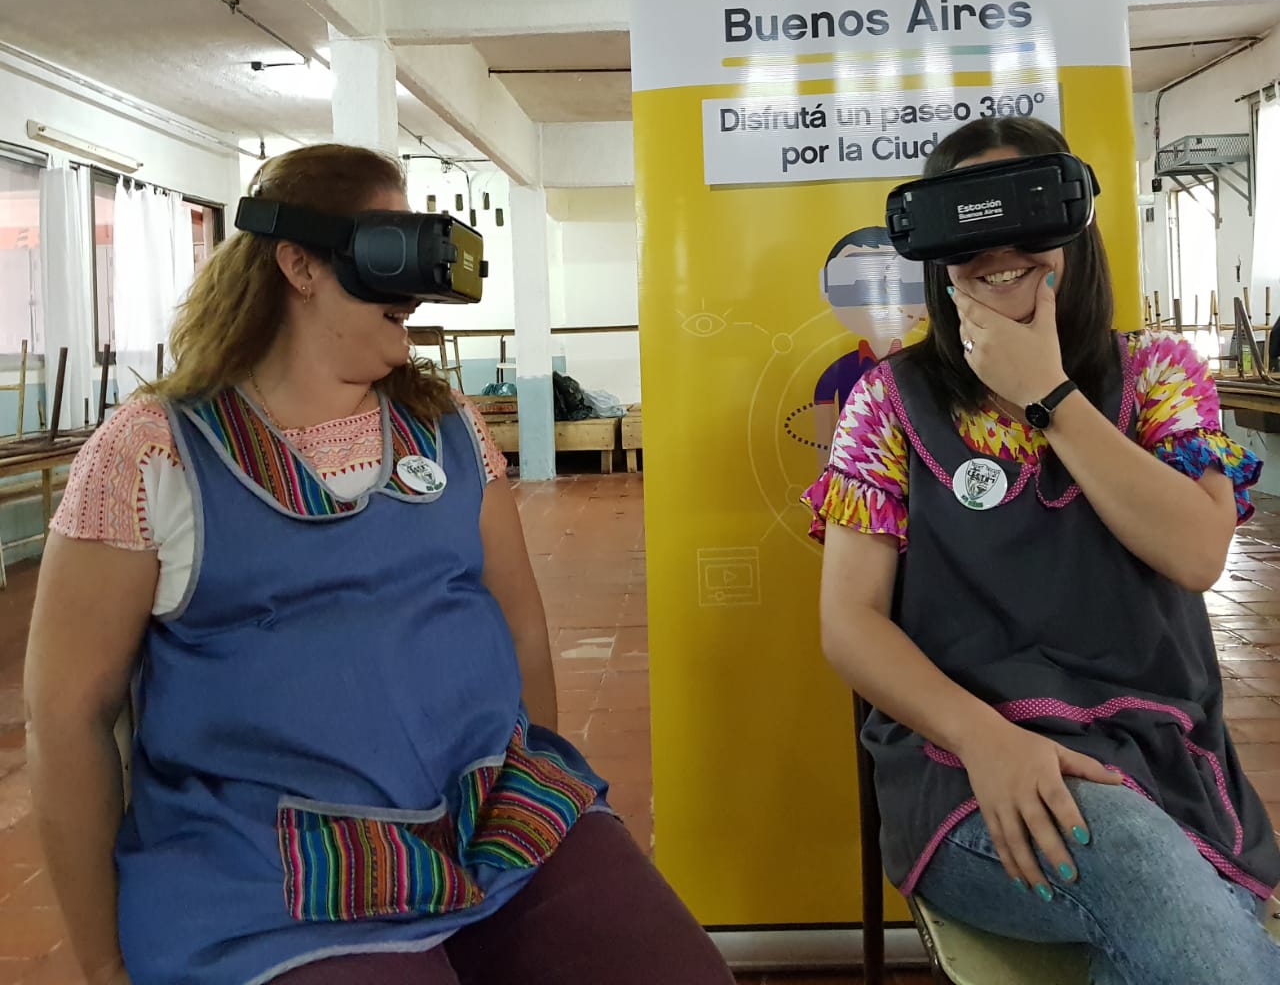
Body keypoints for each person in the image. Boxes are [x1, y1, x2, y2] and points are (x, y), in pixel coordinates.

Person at [25, 145, 733, 985]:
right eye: (388, 253)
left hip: (485, 819)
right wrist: (104, 965)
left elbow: (520, 626)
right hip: (268, 873)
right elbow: (66, 715)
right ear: (298, 263)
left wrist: (530, 774)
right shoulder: (154, 453)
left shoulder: (449, 431)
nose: (416, 292)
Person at [806, 117, 1280, 985]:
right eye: (968, 229)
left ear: (1078, 229)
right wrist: (984, 738)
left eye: (1028, 219)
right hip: (968, 773)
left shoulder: (1159, 373)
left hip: (1169, 759)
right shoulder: (889, 403)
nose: (998, 251)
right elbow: (848, 621)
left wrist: (1049, 394)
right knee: (1159, 887)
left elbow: (1198, 552)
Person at [807, 227, 927, 470]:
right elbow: (825, 446)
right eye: (853, 282)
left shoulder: (932, 370)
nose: (878, 295)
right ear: (826, 287)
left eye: (905, 280)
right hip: (857, 479)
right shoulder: (836, 373)